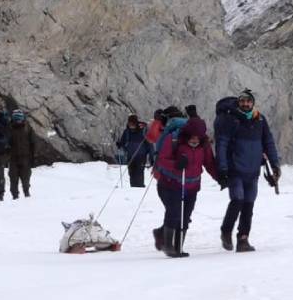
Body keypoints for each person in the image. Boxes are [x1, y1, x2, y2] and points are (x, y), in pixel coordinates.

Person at [215, 89, 280, 253]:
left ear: (253, 103)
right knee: (237, 200)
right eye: (242, 101)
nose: (245, 104)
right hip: (235, 169)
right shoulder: (231, 120)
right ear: (238, 102)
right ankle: (226, 231)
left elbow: (269, 143)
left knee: (248, 206)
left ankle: (243, 239)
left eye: (248, 101)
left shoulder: (260, 119)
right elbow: (222, 144)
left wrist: (275, 165)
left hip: (253, 171)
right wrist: (222, 167)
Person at [153, 117, 218, 257]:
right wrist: (176, 164)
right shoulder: (174, 139)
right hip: (170, 183)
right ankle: (168, 245)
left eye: (198, 138)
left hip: (192, 186)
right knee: (174, 212)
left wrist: (220, 178)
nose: (195, 140)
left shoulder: (204, 145)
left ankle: (178, 247)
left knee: (185, 216)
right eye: (192, 137)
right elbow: (161, 160)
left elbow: (210, 164)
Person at [117, 114, 151, 187]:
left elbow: (149, 143)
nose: (131, 125)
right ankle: (133, 188)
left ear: (136, 123)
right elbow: (123, 142)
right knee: (131, 173)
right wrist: (120, 144)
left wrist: (149, 153)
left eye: (132, 123)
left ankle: (140, 188)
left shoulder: (143, 131)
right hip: (130, 156)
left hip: (141, 156)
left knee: (139, 173)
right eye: (129, 123)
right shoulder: (127, 132)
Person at [9, 109, 36, 199]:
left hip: (24, 157)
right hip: (15, 158)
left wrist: (33, 157)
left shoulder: (27, 128)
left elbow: (33, 143)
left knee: (25, 178)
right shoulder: (10, 128)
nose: (18, 121)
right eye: (16, 119)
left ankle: (26, 193)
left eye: (19, 118)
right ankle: (16, 195)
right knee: (14, 178)